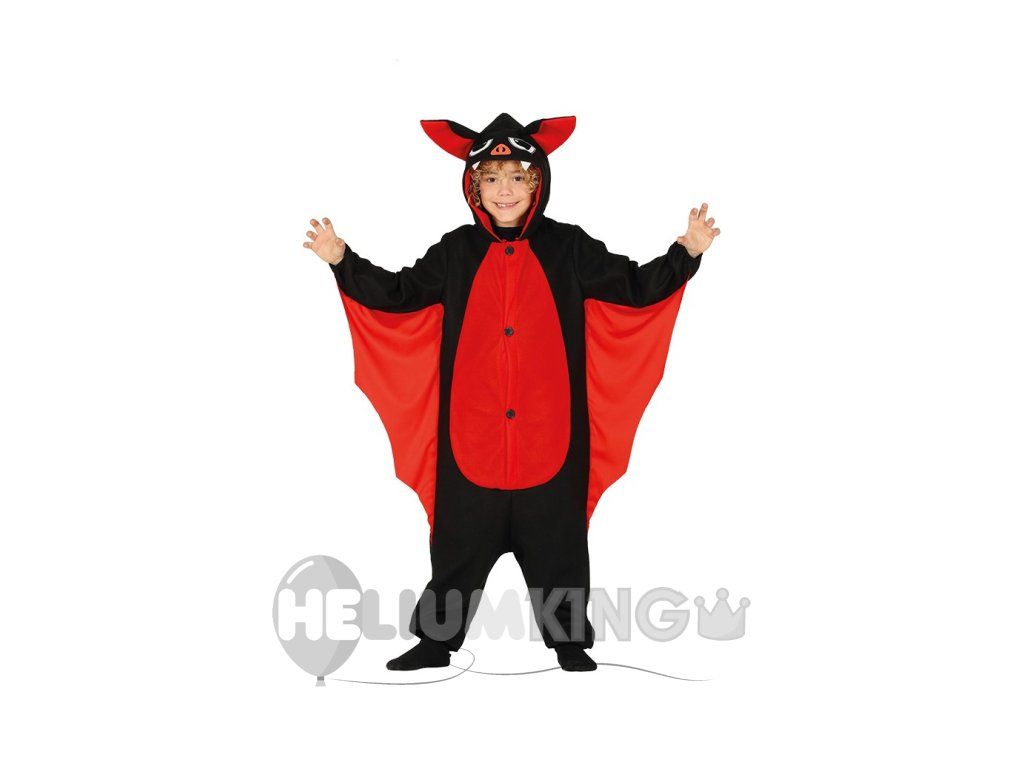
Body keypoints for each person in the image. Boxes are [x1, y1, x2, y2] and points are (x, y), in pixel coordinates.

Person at [302, 113, 720, 672]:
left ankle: (569, 642)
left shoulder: (569, 248)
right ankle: (436, 643)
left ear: (537, 183)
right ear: (474, 188)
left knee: (560, 544)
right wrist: (342, 260)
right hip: (469, 437)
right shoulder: (456, 251)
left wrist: (686, 253)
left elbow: (635, 288)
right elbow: (398, 294)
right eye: (492, 179)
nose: (505, 190)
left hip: (553, 436)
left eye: (517, 177)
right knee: (457, 545)